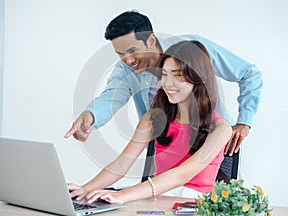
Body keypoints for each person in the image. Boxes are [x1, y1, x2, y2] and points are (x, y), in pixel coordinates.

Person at [64, 10, 262, 156]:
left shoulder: (192, 49)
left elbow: (249, 73)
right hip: (164, 151)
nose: (128, 60)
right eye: (120, 54)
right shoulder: (125, 70)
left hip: (213, 145)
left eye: (132, 51)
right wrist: (89, 116)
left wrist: (245, 121)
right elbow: (110, 97)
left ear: (150, 40)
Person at [68, 41, 232, 204]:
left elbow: (181, 175)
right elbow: (121, 164)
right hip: (158, 200)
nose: (168, 84)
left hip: (194, 205)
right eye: (165, 75)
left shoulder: (221, 128)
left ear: (198, 79)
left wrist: (123, 195)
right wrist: (85, 189)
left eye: (176, 75)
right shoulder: (153, 118)